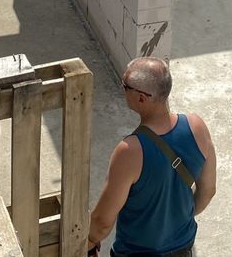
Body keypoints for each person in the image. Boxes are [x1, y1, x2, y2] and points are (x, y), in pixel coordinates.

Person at [87, 57, 217, 257]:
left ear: (141, 98)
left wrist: (89, 241)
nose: (122, 90)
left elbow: (102, 223)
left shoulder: (129, 151)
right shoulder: (196, 126)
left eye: (125, 86)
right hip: (183, 249)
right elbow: (208, 191)